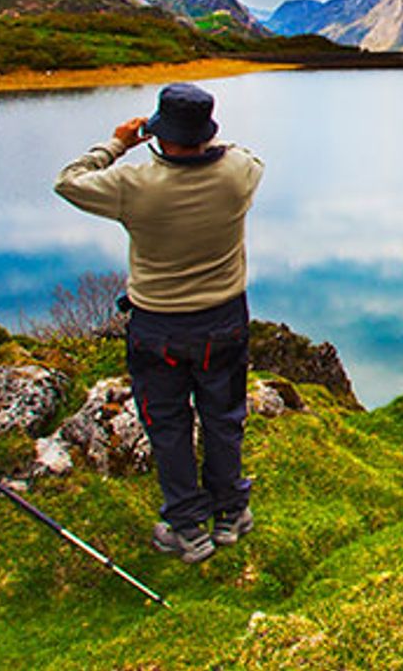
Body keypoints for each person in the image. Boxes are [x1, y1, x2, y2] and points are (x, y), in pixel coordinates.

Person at [54, 82, 265, 564]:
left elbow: (68, 180)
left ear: (159, 133)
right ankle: (231, 513)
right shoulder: (238, 176)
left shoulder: (133, 186)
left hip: (158, 325)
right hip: (223, 320)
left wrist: (119, 142)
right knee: (224, 418)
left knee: (167, 424)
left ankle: (188, 528)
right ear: (207, 133)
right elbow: (248, 155)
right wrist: (203, 138)